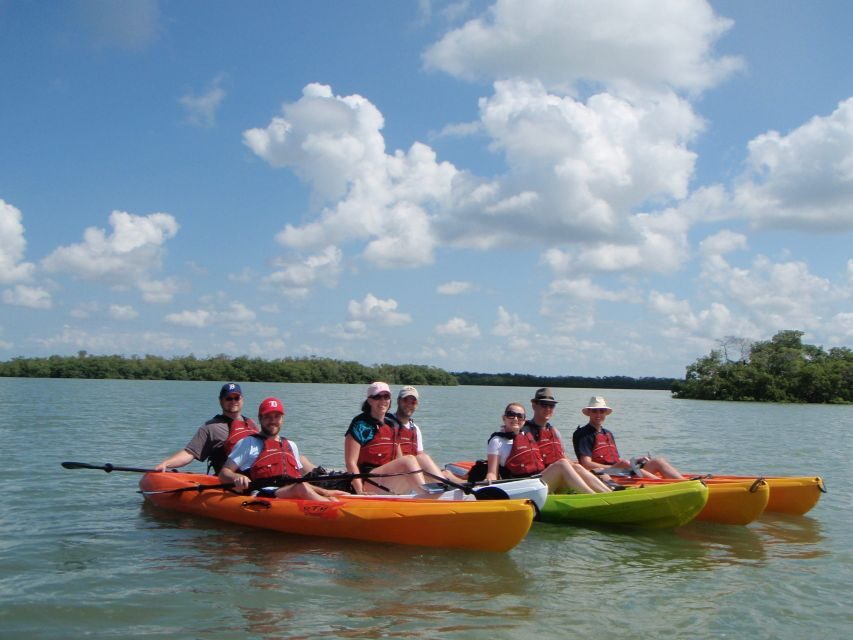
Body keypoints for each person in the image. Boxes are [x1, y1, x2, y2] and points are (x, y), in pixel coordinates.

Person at [219, 397, 348, 501]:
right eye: (268, 416)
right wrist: (236, 477)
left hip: (292, 492)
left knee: (324, 492)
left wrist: (325, 492)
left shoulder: (291, 445)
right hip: (264, 494)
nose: (273, 421)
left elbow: (296, 481)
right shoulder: (248, 443)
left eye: (277, 417)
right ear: (260, 418)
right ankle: (334, 511)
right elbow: (224, 472)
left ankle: (330, 501)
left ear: (282, 419)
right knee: (301, 487)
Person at [344, 382, 431, 495]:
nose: (383, 401)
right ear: (370, 401)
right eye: (377, 397)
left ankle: (443, 493)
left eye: (386, 397)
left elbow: (399, 459)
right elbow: (350, 462)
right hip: (368, 480)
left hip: (388, 479)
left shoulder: (392, 424)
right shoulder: (360, 425)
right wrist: (360, 490)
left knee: (422, 458)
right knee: (409, 459)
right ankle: (427, 496)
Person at [520, 388, 612, 492]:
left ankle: (609, 494)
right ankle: (594, 497)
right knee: (562, 464)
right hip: (534, 483)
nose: (548, 409)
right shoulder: (523, 431)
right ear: (534, 406)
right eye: (544, 405)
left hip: (554, 479)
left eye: (551, 406)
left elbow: (562, 457)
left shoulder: (553, 431)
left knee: (576, 466)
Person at [155, 382, 259, 474]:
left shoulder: (251, 424)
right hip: (230, 481)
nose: (233, 401)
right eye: (228, 398)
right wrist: (166, 464)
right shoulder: (210, 427)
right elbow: (189, 453)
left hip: (255, 477)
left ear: (242, 399)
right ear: (220, 401)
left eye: (236, 398)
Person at [572, 395, 684, 479]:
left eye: (601, 411)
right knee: (625, 463)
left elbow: (615, 460)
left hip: (620, 471)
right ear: (589, 412)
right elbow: (586, 464)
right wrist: (619, 466)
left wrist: (636, 461)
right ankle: (663, 485)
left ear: (605, 413)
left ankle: (684, 483)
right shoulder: (583, 434)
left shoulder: (608, 433)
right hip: (602, 475)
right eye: (595, 411)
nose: (598, 414)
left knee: (658, 461)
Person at [384, 385, 466, 483]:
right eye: (405, 400)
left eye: (413, 402)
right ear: (398, 401)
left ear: (417, 404)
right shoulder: (387, 424)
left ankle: (465, 486)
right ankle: (453, 486)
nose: (409, 405)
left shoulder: (415, 429)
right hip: (397, 473)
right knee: (440, 474)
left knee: (445, 472)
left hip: (413, 472)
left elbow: (420, 456)